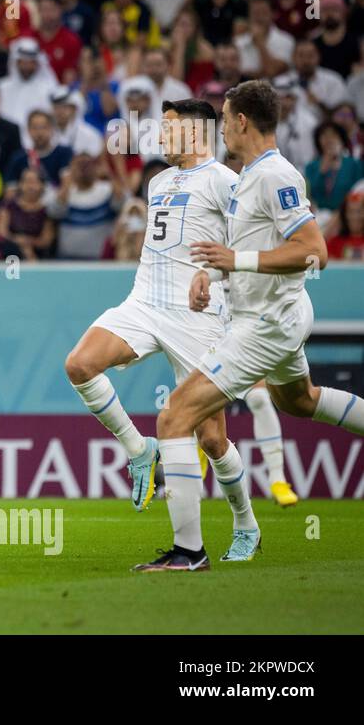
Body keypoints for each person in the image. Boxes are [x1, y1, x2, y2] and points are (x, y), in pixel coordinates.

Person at [151, 81, 364, 571]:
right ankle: (237, 530)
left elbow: (315, 252)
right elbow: (251, 247)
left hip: (267, 324)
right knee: (299, 400)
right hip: (276, 313)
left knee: (174, 416)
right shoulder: (249, 175)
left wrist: (233, 259)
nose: (220, 126)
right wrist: (215, 271)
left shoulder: (275, 175)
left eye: (224, 118)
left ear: (242, 121)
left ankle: (188, 553)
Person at [63, 99, 262, 570]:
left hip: (199, 318)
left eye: (168, 129)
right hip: (144, 304)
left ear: (194, 134)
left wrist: (214, 283)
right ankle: (139, 450)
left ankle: (245, 522)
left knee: (212, 440)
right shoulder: (157, 181)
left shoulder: (225, 182)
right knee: (79, 364)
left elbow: (247, 251)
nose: (159, 137)